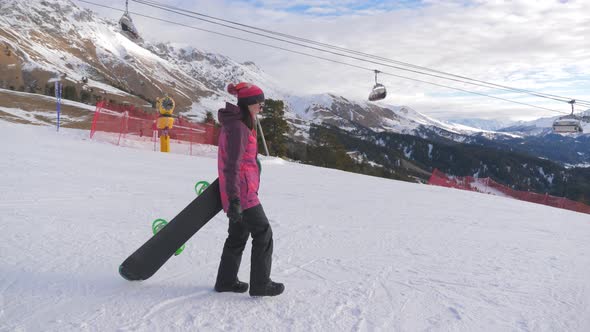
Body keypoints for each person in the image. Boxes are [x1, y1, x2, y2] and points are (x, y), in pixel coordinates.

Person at [214, 82, 284, 297]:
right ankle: (261, 284)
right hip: (242, 192)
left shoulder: (239, 123)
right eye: (259, 104)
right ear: (249, 104)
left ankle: (226, 281)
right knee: (264, 233)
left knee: (238, 235)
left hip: (240, 189)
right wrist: (235, 199)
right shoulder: (238, 127)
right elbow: (233, 164)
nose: (262, 107)